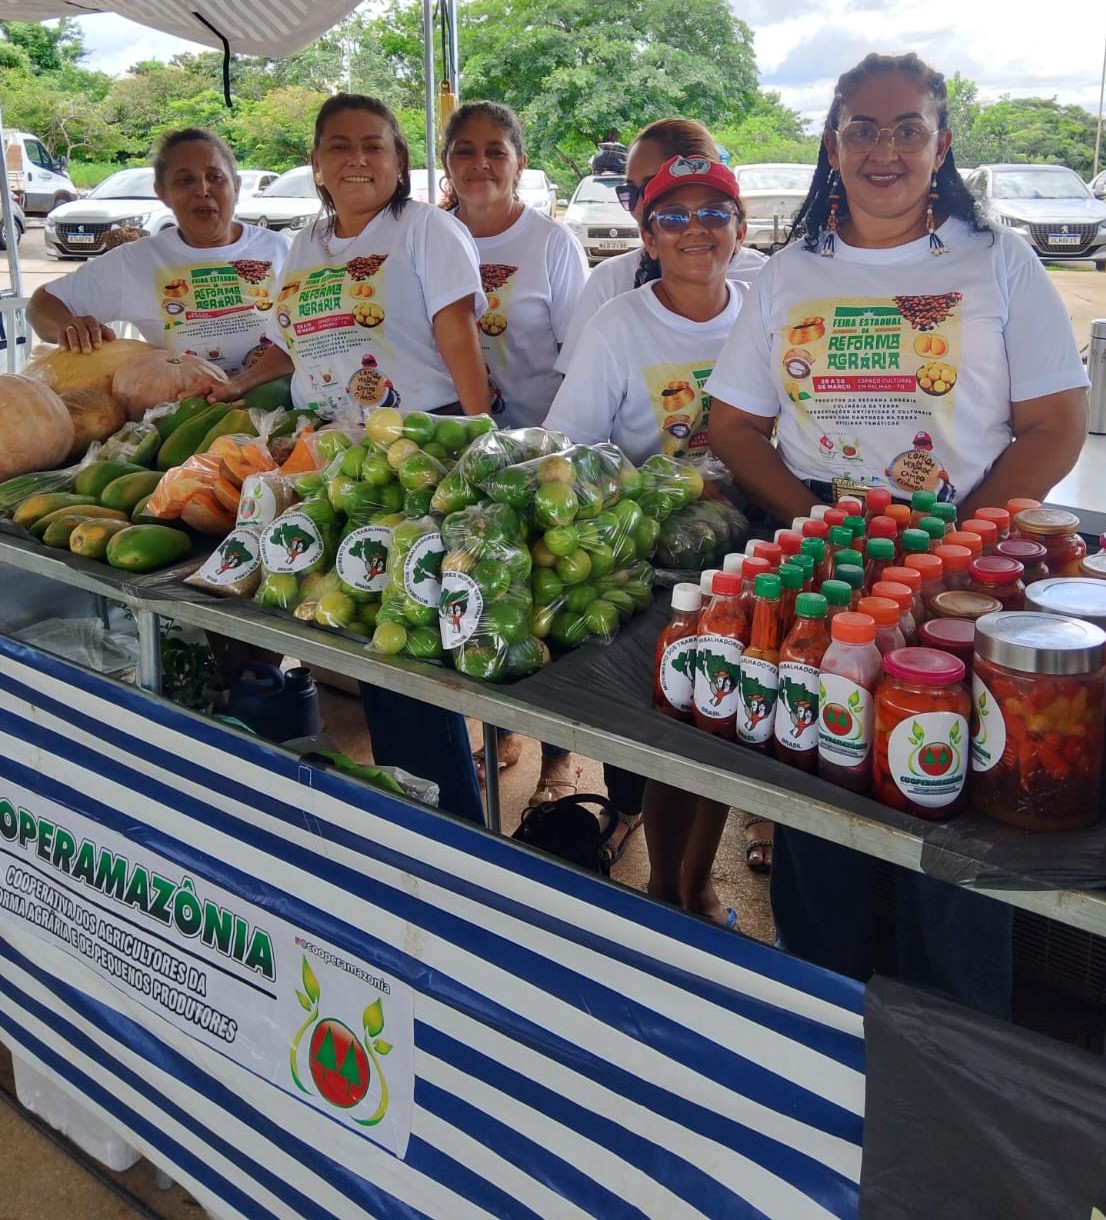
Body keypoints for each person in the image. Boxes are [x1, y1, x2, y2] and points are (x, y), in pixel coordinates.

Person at [706, 52, 1090, 1016]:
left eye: (906, 127)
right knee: (822, 790)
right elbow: (736, 427)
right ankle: (817, 1018)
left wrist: (951, 550)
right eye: (862, 130)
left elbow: (1055, 423)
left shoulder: (995, 258)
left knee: (953, 810)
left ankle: (958, 1048)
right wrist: (819, 530)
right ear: (832, 147)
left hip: (962, 578)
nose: (884, 148)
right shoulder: (793, 271)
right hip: (824, 572)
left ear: (941, 143)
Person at [215, 94, 494, 826]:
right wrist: (237, 384)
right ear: (316, 163)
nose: (358, 159)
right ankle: (401, 806)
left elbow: (461, 340)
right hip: (335, 455)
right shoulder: (306, 243)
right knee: (364, 625)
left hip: (419, 451)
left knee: (402, 646)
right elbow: (293, 337)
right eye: (339, 146)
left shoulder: (427, 232)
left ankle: (450, 827)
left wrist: (475, 447)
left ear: (400, 161)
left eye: (375, 145)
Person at [547, 154, 748, 922]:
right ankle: (666, 888)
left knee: (723, 727)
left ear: (739, 227)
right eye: (673, 216)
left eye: (713, 213)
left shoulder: (763, 310)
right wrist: (648, 497)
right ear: (647, 236)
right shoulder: (620, 325)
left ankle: (699, 882)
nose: (695, 230)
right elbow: (565, 452)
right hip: (649, 569)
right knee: (667, 737)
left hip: (745, 554)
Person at [439, 100, 590, 810]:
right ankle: (499, 728)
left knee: (544, 605)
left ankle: (560, 758)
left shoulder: (549, 244)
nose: (480, 165)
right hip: (465, 459)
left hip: (545, 455)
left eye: (496, 150)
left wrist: (549, 453)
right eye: (464, 151)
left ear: (519, 163)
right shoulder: (433, 239)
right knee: (485, 596)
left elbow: (582, 358)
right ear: (445, 163)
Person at [28, 128, 291, 376]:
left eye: (215, 177)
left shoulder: (281, 249)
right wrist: (68, 326)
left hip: (280, 408)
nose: (202, 190)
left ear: (235, 187)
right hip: (179, 412)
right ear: (162, 192)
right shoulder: (136, 261)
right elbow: (41, 304)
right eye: (185, 180)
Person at [556, 118, 767, 374]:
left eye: (655, 187)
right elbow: (580, 396)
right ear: (649, 241)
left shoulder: (765, 281)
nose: (639, 206)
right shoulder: (611, 283)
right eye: (630, 192)